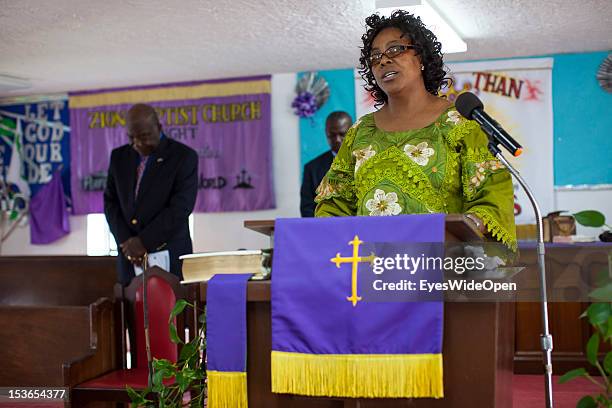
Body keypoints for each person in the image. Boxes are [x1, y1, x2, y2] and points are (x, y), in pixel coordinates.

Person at [315, 10, 516, 251]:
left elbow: (492, 195)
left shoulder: (460, 125)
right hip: (369, 273)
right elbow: (334, 202)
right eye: (375, 56)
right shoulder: (359, 133)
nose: (383, 60)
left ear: (421, 57)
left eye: (395, 49)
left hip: (442, 270)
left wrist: (468, 226)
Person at [104, 103, 198, 285]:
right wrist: (127, 244)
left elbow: (180, 207)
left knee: (170, 312)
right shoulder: (119, 157)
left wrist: (143, 242)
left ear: (159, 128)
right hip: (129, 257)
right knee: (131, 309)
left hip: (169, 252)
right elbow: (111, 202)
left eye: (144, 136)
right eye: (132, 138)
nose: (137, 144)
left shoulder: (183, 157)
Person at [300, 111, 353, 217]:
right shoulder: (312, 168)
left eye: (342, 134)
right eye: (332, 135)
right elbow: (307, 209)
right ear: (326, 133)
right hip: (324, 229)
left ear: (352, 132)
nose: (337, 140)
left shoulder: (366, 162)